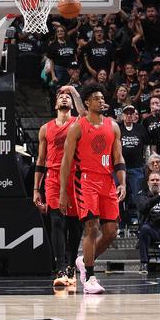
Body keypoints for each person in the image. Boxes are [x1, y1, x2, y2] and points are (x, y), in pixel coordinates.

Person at [60, 83, 126, 294]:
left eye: (102, 98)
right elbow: (66, 162)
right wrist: (63, 192)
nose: (100, 100)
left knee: (111, 232)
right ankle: (89, 276)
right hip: (85, 180)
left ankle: (84, 261)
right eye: (96, 98)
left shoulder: (113, 126)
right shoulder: (77, 127)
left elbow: (118, 157)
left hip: (107, 181)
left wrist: (122, 182)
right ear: (87, 103)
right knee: (91, 227)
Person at [33, 87, 85, 288]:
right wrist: (36, 189)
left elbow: (84, 113)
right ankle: (61, 268)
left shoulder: (78, 122)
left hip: (76, 176)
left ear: (72, 103)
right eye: (61, 96)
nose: (64, 98)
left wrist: (73, 90)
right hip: (53, 177)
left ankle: (71, 265)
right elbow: (40, 159)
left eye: (67, 97)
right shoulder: (45, 128)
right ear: (55, 104)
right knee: (57, 221)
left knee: (75, 225)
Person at [136, 171, 160, 274]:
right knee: (144, 229)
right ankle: (144, 264)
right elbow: (143, 208)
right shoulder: (142, 195)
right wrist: (158, 196)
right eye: (152, 180)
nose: (155, 182)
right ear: (148, 182)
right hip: (150, 229)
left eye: (157, 180)